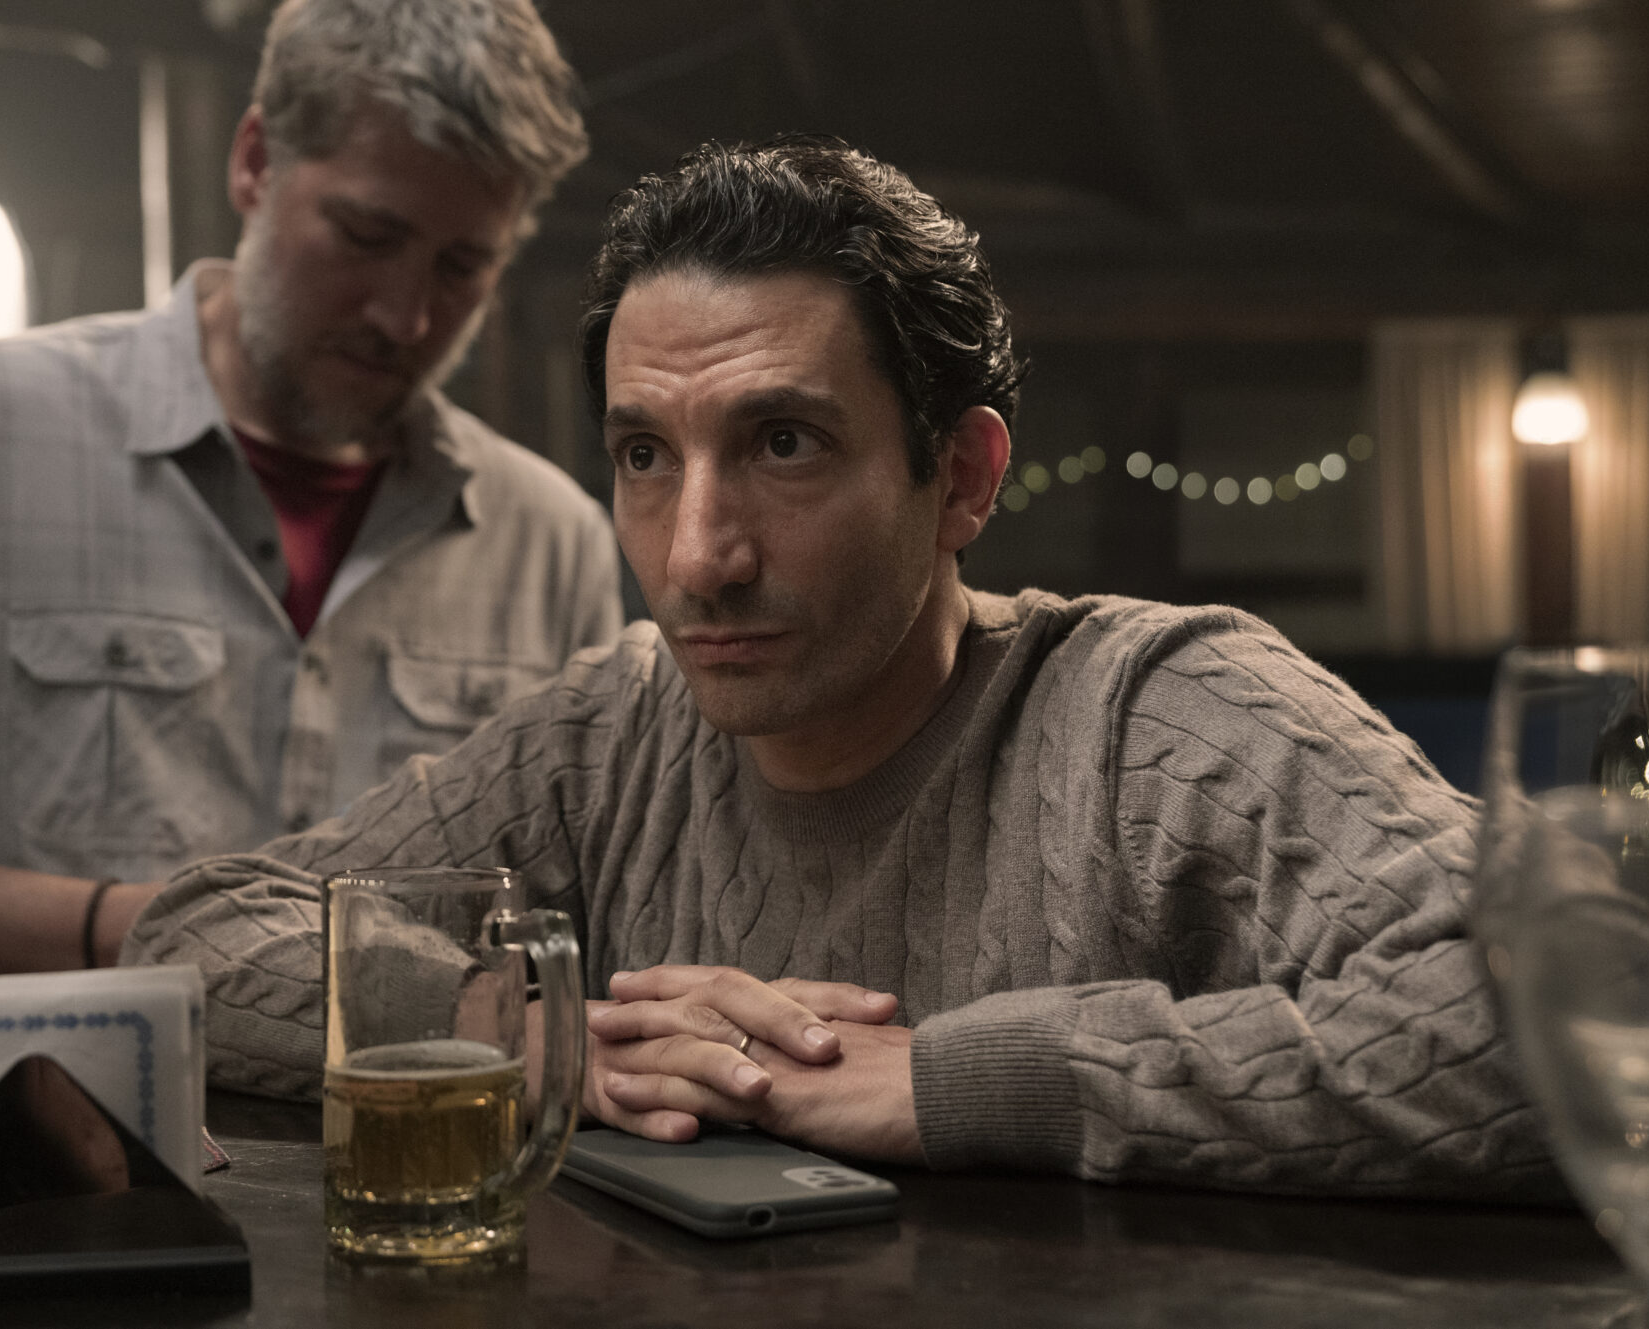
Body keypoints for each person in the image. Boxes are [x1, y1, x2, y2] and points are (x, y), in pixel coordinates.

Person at [125, 135, 1554, 1198]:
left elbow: (1575, 1013)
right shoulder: (610, 731)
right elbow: (195, 930)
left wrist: (963, 1082)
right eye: (645, 456)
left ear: (961, 477)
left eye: (784, 444)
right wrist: (527, 1029)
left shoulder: (1158, 713)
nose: (698, 557)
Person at [0, 0, 622, 1003]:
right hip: (37, 1110)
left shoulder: (553, 542)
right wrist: (146, 933)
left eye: (463, 266)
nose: (405, 314)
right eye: (366, 235)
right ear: (255, 162)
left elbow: (583, 923)